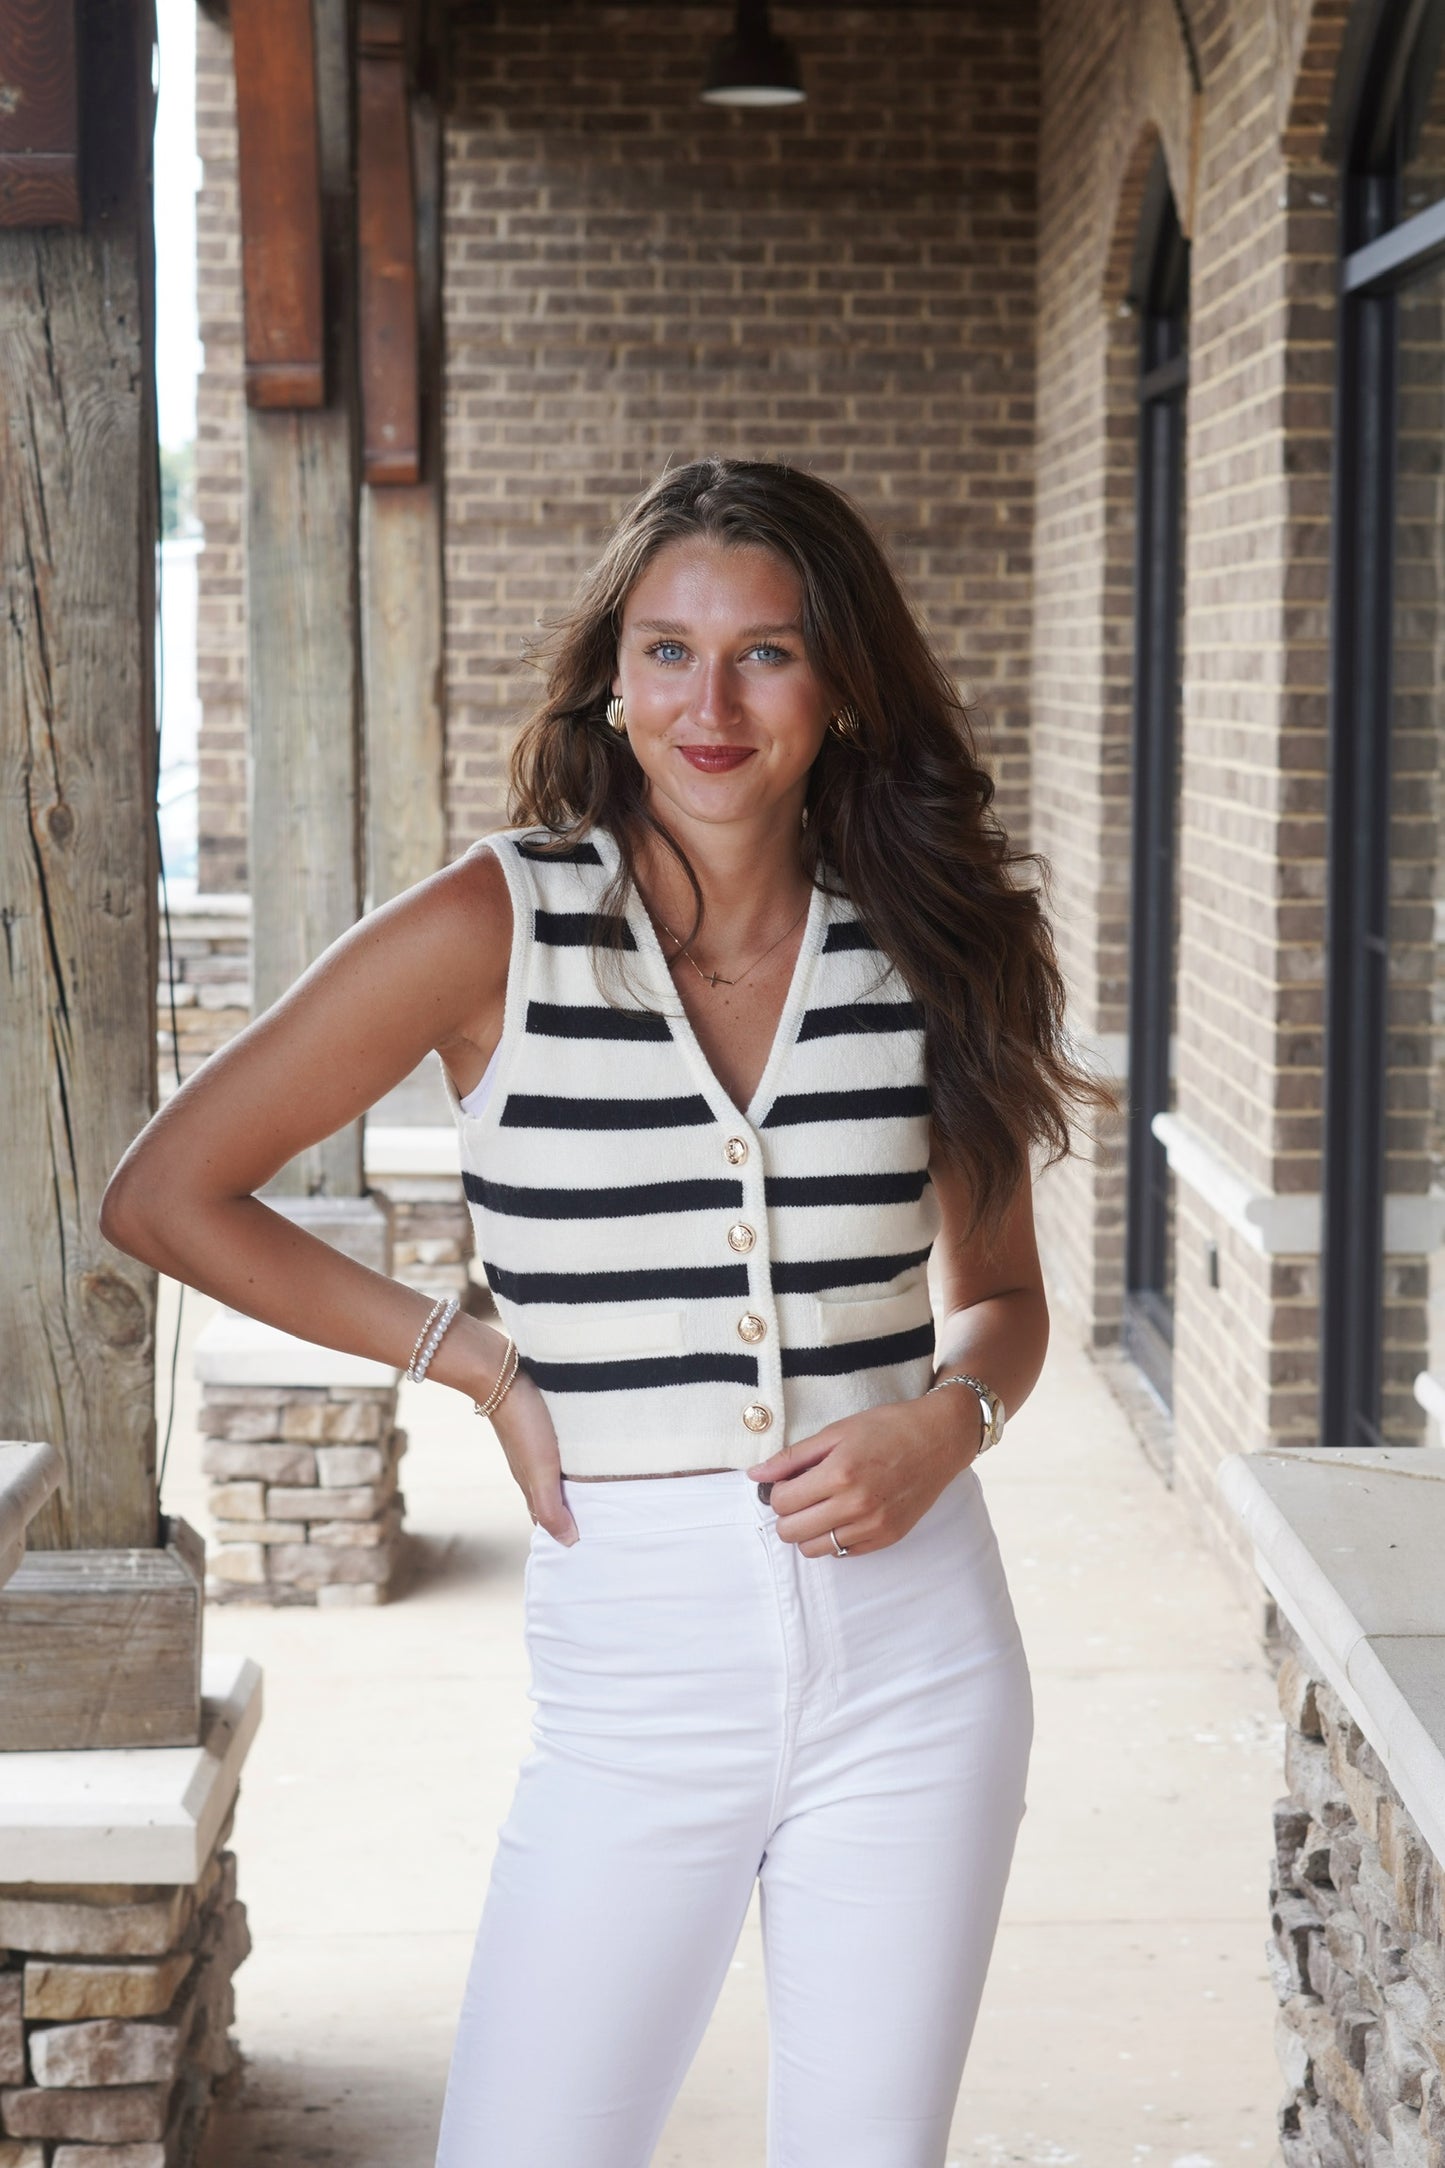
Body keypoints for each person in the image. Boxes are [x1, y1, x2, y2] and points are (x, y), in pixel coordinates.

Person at [102, 457, 1112, 2168]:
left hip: (921, 1655)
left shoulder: (936, 942)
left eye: (765, 653)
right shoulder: (493, 924)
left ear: (842, 680)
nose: (707, 705)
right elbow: (168, 1191)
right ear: (610, 676)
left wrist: (948, 1426)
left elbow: (1002, 1300)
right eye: (666, 651)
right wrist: (472, 1356)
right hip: (640, 1664)